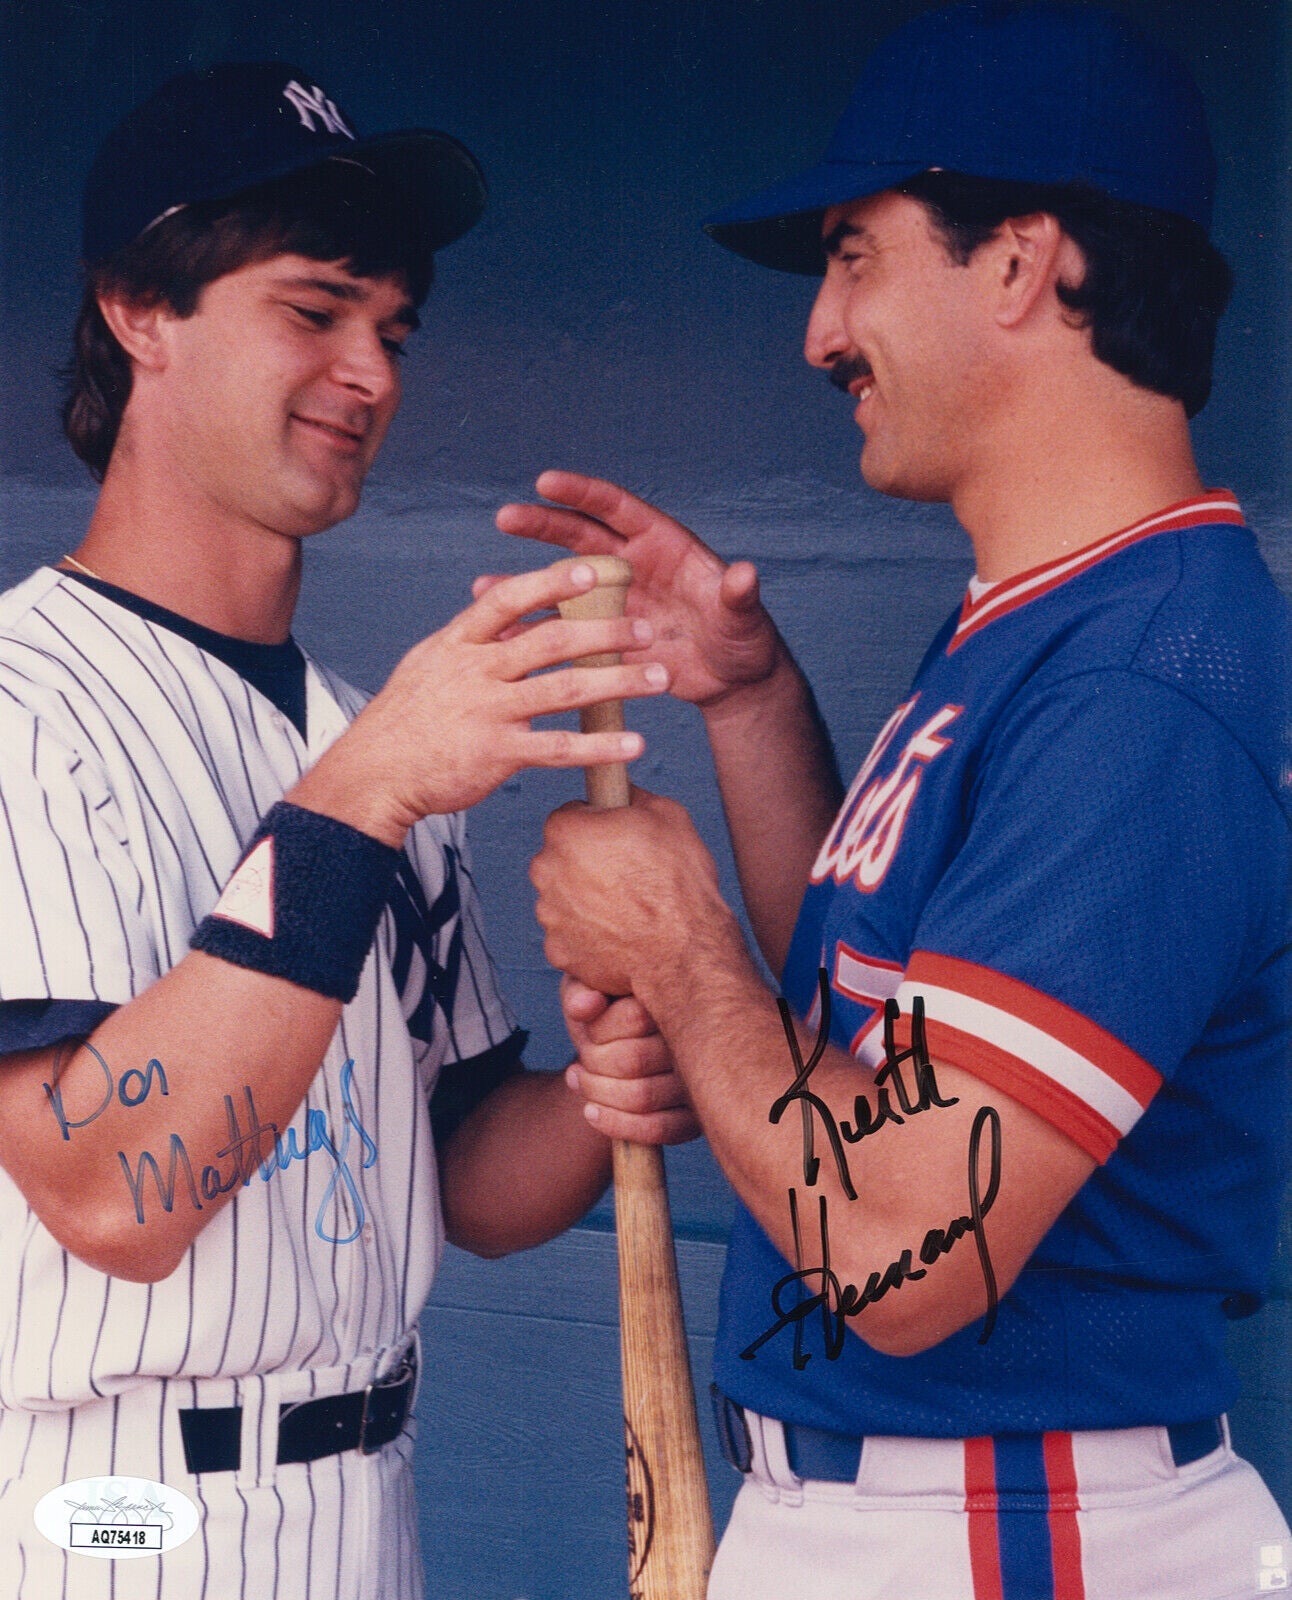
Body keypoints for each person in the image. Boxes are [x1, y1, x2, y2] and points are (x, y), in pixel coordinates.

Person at [503, 5, 1292, 1596]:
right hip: (927, 1512)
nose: (819, 329)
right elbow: (872, 1055)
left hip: (1010, 1522)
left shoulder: (1146, 678)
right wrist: (753, 703)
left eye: (857, 254)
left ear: (1018, 262)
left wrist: (677, 944)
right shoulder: (1042, 626)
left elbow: (900, 1244)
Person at [0, 62, 690, 1599]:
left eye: (392, 329)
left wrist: (639, 1055)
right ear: (138, 309)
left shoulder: (358, 726)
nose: (371, 372)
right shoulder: (23, 704)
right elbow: (113, 1189)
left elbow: (470, 1185)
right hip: (102, 1519)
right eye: (314, 312)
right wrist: (368, 793)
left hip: (364, 1508)